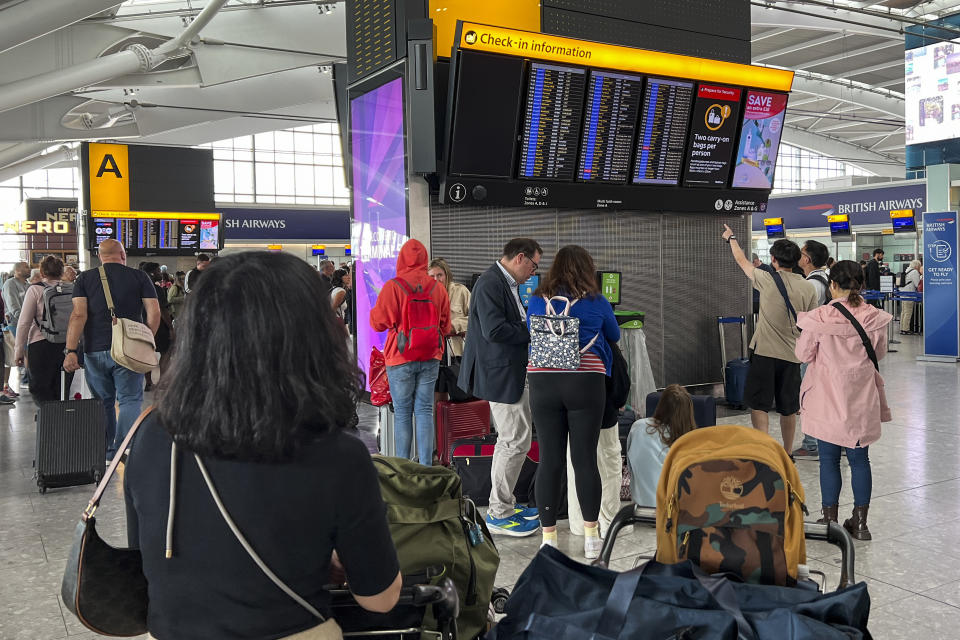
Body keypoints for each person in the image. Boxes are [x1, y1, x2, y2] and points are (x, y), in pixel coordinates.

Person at [124, 251, 401, 639]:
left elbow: (153, 559)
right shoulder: (336, 455)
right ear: (314, 335)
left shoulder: (151, 434)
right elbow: (380, 599)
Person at [526, 245, 620, 558]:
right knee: (584, 459)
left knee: (550, 459)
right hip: (585, 381)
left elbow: (531, 332)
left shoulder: (537, 299)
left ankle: (548, 537)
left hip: (543, 383)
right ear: (587, 269)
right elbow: (615, 335)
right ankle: (592, 537)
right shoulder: (597, 301)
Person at [795, 260, 892, 541]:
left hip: (826, 396)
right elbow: (880, 353)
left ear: (833, 286)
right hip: (860, 396)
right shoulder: (875, 317)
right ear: (861, 284)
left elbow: (803, 355)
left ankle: (829, 518)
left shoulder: (820, 318)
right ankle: (860, 523)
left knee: (828, 459)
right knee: (860, 459)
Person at [459, 238, 543, 537]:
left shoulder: (502, 283)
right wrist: (533, 328)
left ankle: (504, 502)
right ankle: (498, 513)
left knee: (512, 439)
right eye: (533, 265)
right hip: (501, 374)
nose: (533, 273)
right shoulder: (491, 283)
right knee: (514, 440)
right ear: (520, 258)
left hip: (508, 371)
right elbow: (494, 330)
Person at [722, 225, 817, 454]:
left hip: (764, 353)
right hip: (792, 356)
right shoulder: (808, 287)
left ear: (773, 259)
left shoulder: (766, 279)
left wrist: (731, 238)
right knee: (788, 408)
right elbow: (810, 323)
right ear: (796, 261)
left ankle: (764, 450)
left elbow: (742, 260)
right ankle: (785, 452)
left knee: (759, 404)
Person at [63, 239, 160, 461]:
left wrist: (70, 350)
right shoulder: (139, 277)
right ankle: (125, 447)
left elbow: (78, 315)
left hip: (95, 349)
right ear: (123, 255)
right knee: (129, 399)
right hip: (129, 349)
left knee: (103, 401)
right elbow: (153, 312)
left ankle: (108, 450)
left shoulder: (85, 278)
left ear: (100, 256)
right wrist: (147, 340)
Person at [370, 239, 451, 466]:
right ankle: (426, 466)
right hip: (431, 356)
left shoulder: (393, 286)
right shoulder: (437, 287)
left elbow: (378, 323)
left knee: (403, 412)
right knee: (425, 410)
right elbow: (445, 327)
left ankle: (403, 470)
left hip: (400, 356)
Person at [566, 340, 630, 539]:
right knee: (609, 468)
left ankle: (578, 523)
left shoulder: (563, 338)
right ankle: (608, 521)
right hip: (603, 418)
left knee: (576, 468)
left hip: (572, 419)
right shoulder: (604, 342)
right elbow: (620, 384)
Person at [13, 256, 74, 402]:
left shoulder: (35, 290)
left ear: (41, 272)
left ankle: (48, 421)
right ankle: (61, 420)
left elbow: (24, 323)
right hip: (67, 344)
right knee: (62, 389)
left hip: (40, 344)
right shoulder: (71, 289)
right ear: (61, 271)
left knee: (40, 389)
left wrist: (19, 351)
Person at [626, 384, 697, 507]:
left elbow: (630, 466)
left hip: (641, 507)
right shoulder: (689, 440)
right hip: (672, 511)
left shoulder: (637, 427)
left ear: (661, 405)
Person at [792, 240, 830, 460]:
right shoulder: (823, 279)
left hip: (812, 346)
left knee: (809, 392)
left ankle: (811, 442)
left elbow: (806, 316)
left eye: (802, 251)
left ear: (806, 259)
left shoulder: (812, 284)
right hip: (823, 346)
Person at [141, 263, 175, 391]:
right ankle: (162, 382)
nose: (161, 273)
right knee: (165, 352)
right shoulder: (156, 289)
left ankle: (148, 382)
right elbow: (162, 310)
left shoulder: (138, 287)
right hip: (159, 326)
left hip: (142, 324)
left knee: (146, 354)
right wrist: (171, 328)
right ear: (152, 273)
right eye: (158, 271)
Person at [428, 258, 471, 357]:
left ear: (447, 275)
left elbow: (477, 318)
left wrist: (453, 326)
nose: (436, 279)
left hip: (459, 353)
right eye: (431, 276)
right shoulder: (424, 298)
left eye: (439, 275)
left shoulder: (461, 291)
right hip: (434, 355)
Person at [2, 261, 30, 398]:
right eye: (26, 267)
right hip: (15, 324)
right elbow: (13, 306)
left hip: (28, 324)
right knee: (21, 352)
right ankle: (25, 380)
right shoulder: (10, 284)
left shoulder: (27, 284)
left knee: (27, 351)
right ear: (17, 270)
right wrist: (25, 318)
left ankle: (26, 378)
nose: (29, 269)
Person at [899, 260, 922, 335]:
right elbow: (917, 284)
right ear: (916, 266)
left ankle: (902, 328)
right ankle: (906, 329)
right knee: (908, 312)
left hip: (903, 293)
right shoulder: (914, 272)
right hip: (909, 294)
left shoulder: (907, 270)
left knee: (903, 312)